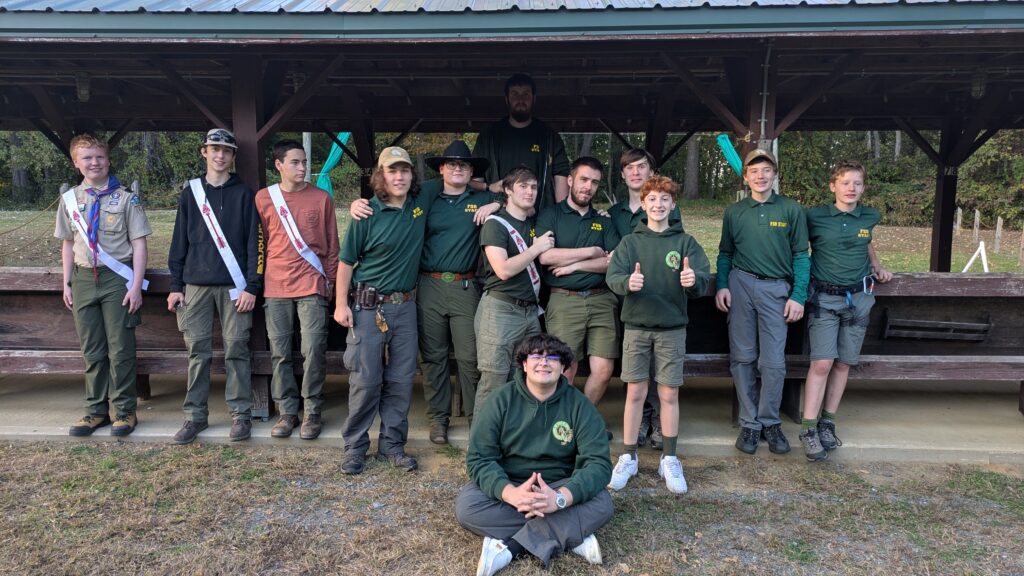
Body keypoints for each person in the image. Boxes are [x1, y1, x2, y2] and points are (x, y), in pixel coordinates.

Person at [348, 140, 500, 444]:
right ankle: (438, 419)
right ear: (441, 169)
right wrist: (357, 203)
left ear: (472, 171)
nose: (458, 169)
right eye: (451, 164)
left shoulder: (482, 198)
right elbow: (389, 194)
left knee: (470, 358)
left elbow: (516, 200)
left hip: (465, 285)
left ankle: (477, 419)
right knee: (433, 356)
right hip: (428, 285)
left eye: (464, 165)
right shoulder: (425, 194)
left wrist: (495, 204)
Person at [456, 333, 613, 576]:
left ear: (563, 367)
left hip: (560, 485)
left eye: (553, 357)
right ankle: (570, 533)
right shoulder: (499, 400)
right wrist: (511, 494)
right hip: (511, 483)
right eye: (536, 356)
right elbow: (479, 459)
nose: (544, 362)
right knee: (468, 507)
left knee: (603, 504)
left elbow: (599, 464)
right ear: (524, 364)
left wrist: (559, 499)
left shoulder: (579, 405)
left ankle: (510, 548)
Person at [606, 175, 710, 493]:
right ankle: (628, 457)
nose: (658, 204)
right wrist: (627, 283)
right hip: (637, 328)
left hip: (672, 329)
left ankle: (670, 458)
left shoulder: (685, 243)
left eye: (665, 199)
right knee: (635, 392)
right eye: (652, 198)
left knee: (668, 394)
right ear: (643, 204)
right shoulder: (630, 242)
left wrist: (693, 280)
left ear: (673, 205)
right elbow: (613, 276)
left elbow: (702, 278)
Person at [334, 146, 430, 475]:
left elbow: (458, 181)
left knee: (401, 380)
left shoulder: (420, 205)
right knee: (366, 381)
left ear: (412, 175)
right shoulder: (366, 214)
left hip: (405, 307)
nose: (399, 176)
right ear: (381, 176)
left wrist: (492, 197)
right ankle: (355, 447)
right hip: (367, 307)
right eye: (392, 171)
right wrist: (340, 304)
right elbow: (346, 263)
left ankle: (392, 445)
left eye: (404, 170)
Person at [167, 128, 263, 445]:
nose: (220, 155)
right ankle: (195, 415)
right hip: (195, 286)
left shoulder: (245, 195)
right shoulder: (190, 194)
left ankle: (240, 415)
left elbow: (255, 244)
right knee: (198, 351)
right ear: (204, 152)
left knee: (237, 349)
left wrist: (252, 286)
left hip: (236, 287)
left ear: (233, 156)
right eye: (214, 149)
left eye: (226, 151)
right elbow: (179, 241)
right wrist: (176, 284)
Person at [715, 148, 810, 456]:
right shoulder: (735, 212)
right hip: (741, 284)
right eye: (754, 171)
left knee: (773, 362)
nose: (760, 176)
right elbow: (725, 253)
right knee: (743, 358)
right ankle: (749, 423)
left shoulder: (791, 209)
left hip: (776, 289)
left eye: (766, 170)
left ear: (775, 174)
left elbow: (801, 255)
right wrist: (722, 285)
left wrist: (798, 295)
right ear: (745, 177)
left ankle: (770, 421)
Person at [57, 134, 151, 437]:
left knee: (121, 349)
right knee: (92, 350)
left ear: (108, 160)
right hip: (83, 278)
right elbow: (68, 243)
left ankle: (124, 411)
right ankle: (96, 411)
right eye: (87, 158)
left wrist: (135, 286)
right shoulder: (70, 200)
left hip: (117, 280)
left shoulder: (125, 199)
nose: (94, 163)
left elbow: (139, 244)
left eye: (99, 157)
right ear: (76, 163)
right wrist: (67, 283)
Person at [799, 160, 893, 461]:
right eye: (845, 182)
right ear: (833, 186)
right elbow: (798, 248)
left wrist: (876, 265)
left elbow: (865, 240)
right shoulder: (814, 217)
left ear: (863, 188)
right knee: (822, 362)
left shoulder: (869, 216)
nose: (851, 188)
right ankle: (808, 428)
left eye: (857, 183)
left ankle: (828, 422)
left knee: (843, 363)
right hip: (825, 298)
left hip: (859, 298)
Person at [255, 140, 339, 440]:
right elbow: (260, 243)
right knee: (280, 352)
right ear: (279, 165)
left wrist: (331, 282)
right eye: (295, 162)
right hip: (276, 285)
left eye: (304, 162)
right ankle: (287, 411)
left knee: (313, 350)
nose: (302, 167)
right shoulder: (264, 198)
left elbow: (332, 245)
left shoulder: (321, 198)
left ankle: (312, 410)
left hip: (312, 284)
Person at [607, 148, 683, 449]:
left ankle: (655, 420)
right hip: (624, 299)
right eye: (630, 167)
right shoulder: (613, 214)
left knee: (658, 367)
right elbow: (610, 256)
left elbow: (676, 250)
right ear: (623, 174)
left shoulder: (665, 208)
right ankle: (638, 420)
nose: (636, 172)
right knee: (634, 368)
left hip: (660, 302)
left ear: (651, 172)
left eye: (642, 166)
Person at [535, 157, 620, 406]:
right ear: (570, 180)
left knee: (603, 370)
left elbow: (614, 262)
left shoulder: (604, 220)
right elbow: (545, 257)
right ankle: (562, 420)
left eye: (594, 182)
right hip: (564, 300)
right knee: (564, 369)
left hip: (602, 299)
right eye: (583, 179)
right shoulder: (550, 215)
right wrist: (591, 251)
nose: (588, 187)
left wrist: (575, 265)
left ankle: (582, 417)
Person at [474, 167, 555, 410]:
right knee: (493, 381)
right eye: (523, 186)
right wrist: (536, 248)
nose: (530, 192)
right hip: (500, 310)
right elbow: (504, 270)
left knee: (524, 380)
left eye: (533, 187)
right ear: (508, 190)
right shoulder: (495, 224)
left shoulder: (534, 222)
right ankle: (483, 435)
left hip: (530, 313)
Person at [472, 73, 571, 212]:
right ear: (506, 99)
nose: (520, 99)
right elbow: (476, 177)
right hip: (497, 214)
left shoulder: (549, 136)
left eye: (526, 94)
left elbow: (561, 176)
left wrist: (562, 215)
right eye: (514, 94)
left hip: (539, 216)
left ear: (534, 99)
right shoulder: (488, 136)